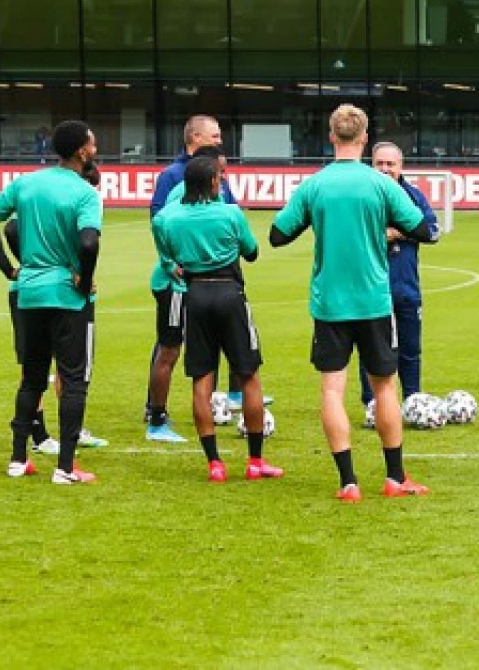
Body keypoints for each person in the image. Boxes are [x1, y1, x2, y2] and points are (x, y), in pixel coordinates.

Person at [270, 104, 436, 502]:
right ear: (364, 139)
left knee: (332, 390)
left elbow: (278, 235)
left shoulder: (314, 185)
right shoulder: (381, 184)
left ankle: (348, 482)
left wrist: (317, 220)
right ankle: (395, 478)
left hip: (330, 304)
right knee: (385, 388)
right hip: (375, 302)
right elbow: (423, 230)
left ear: (331, 137)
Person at [0, 120, 102, 485]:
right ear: (81, 151)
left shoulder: (26, 183)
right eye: (92, 144)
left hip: (29, 291)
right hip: (66, 294)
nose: (95, 149)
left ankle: (18, 459)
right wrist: (84, 277)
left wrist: (9, 269)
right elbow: (89, 242)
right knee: (74, 379)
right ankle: (65, 467)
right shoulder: (84, 193)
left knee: (32, 378)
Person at [153, 155, 279, 484]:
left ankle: (214, 465)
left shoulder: (167, 218)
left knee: (201, 380)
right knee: (249, 375)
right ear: (213, 183)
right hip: (229, 294)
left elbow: (167, 261)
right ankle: (254, 462)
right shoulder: (229, 213)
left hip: (194, 296)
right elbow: (251, 252)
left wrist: (177, 266)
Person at [145, 116, 241, 443]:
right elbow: (158, 222)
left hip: (205, 282)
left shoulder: (209, 189)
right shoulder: (175, 187)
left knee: (207, 346)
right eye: (222, 174)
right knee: (170, 347)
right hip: (177, 284)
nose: (224, 178)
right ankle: (156, 417)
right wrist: (169, 261)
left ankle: (217, 401)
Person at [4, 161, 108, 456]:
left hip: (30, 288)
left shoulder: (46, 192)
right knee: (53, 368)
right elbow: (11, 227)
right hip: (61, 292)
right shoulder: (79, 197)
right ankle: (42, 437)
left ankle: (28, 449)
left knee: (42, 368)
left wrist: (26, 265)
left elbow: (9, 227)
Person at [359, 142, 440, 419]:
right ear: (372, 165)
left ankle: (413, 401)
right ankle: (372, 405)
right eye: (379, 163)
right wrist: (397, 233)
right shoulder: (362, 196)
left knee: (410, 348)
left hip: (406, 287)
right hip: (371, 288)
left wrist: (396, 233)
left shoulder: (413, 196)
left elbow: (432, 230)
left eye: (390, 164)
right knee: (372, 349)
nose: (384, 169)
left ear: (400, 166)